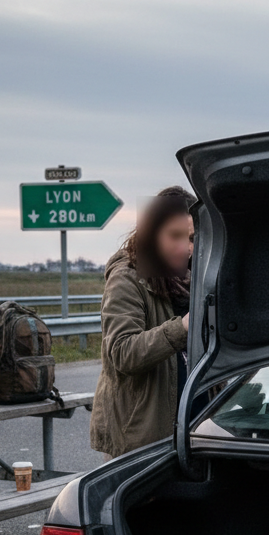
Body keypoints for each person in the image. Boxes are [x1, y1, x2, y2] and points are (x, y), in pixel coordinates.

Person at [90, 185, 195, 458]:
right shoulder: (127, 277)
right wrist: (181, 328)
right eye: (175, 236)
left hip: (193, 431)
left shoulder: (199, 277)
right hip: (141, 438)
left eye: (193, 238)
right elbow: (123, 354)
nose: (186, 247)